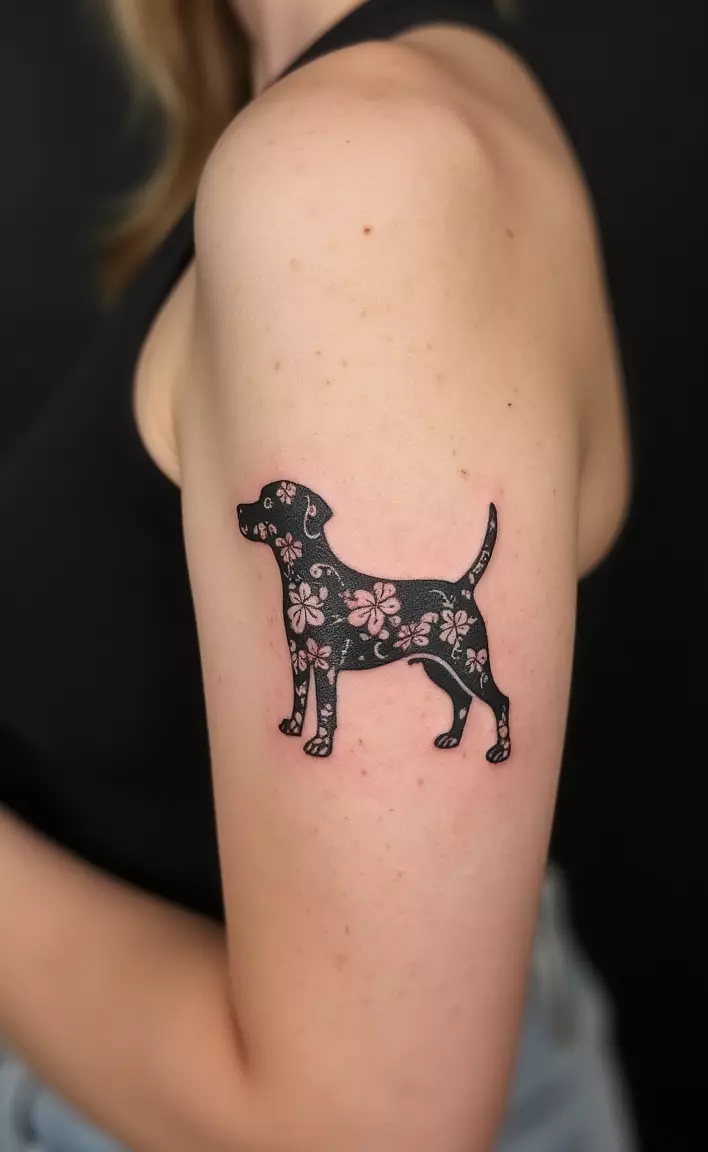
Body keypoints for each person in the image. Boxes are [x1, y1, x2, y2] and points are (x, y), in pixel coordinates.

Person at [0, 1, 638, 1149]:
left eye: (274, 512)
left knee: (458, 674)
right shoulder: (382, 122)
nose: (263, 515)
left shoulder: (354, 185)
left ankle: (473, 716)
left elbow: (362, 1131)